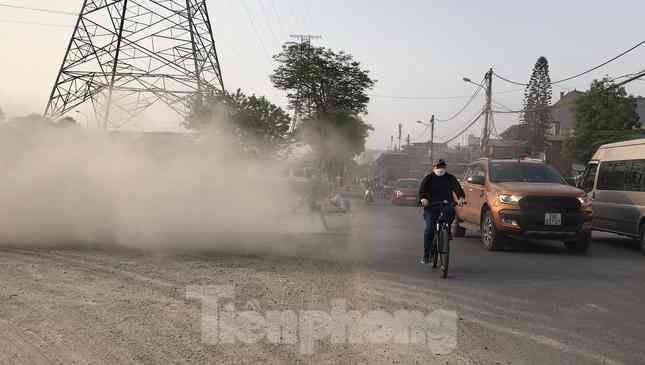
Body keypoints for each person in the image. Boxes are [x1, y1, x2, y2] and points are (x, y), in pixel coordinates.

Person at [417, 159, 466, 265]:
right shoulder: (428, 178)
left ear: (445, 167)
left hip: (446, 204)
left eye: (442, 166)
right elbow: (422, 191)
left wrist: (461, 197)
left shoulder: (450, 178)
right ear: (433, 167)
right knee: (429, 229)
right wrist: (423, 199)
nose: (440, 169)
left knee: (451, 211)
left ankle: (446, 230)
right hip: (431, 206)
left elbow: (458, 189)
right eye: (438, 167)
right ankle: (427, 255)